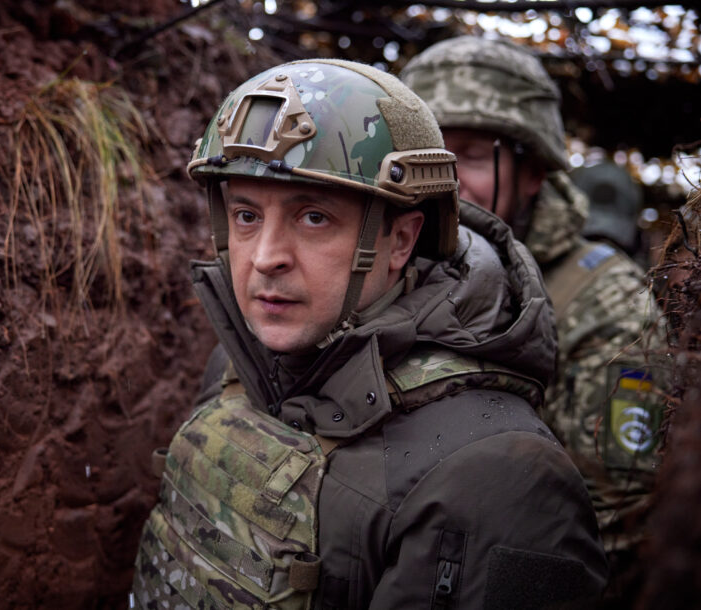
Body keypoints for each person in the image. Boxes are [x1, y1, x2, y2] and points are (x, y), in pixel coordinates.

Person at [131, 58, 607, 609]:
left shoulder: (501, 476)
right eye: (246, 215)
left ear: (401, 240)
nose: (265, 258)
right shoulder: (241, 360)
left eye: (314, 217)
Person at [401, 36, 667, 603]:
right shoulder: (386, 267)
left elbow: (613, 520)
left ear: (534, 173)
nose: (444, 179)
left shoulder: (608, 305)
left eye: (472, 156)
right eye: (428, 154)